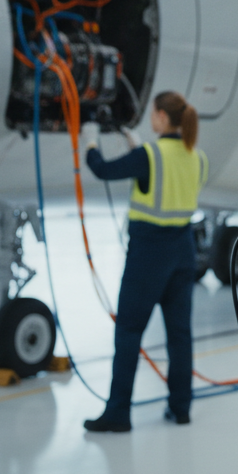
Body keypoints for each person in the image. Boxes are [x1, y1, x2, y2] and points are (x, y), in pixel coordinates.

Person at [80, 91, 208, 433]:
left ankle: (118, 413)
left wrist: (89, 141)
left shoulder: (150, 156)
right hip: (184, 249)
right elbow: (171, 180)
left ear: (162, 118)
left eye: (153, 113)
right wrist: (136, 148)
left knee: (129, 331)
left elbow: (103, 170)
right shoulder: (197, 156)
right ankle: (180, 408)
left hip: (150, 252)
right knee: (179, 335)